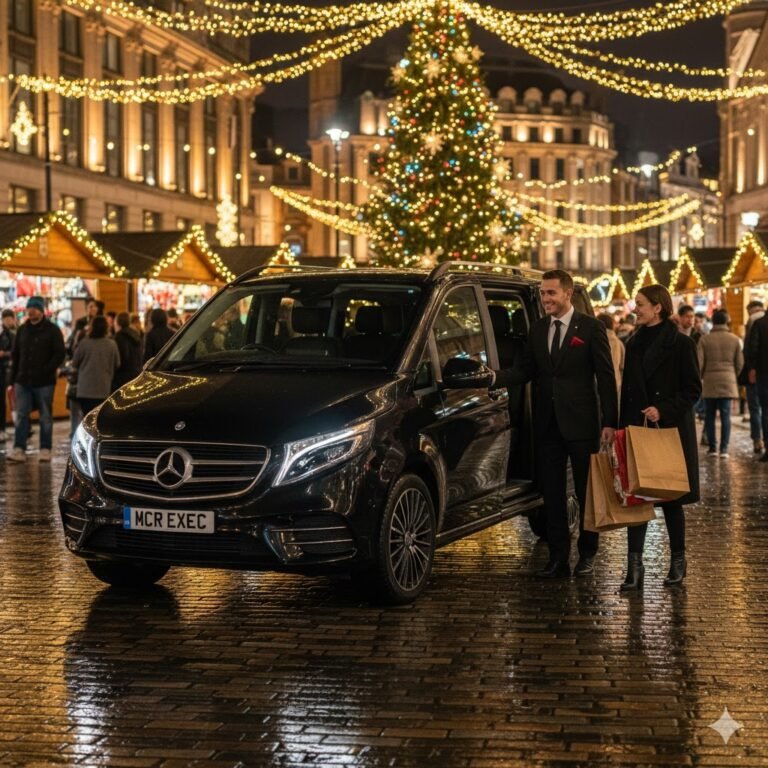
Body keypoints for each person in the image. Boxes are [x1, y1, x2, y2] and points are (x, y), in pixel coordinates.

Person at [496, 269, 618, 578]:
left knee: (585, 490)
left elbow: (606, 378)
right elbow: (524, 372)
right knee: (551, 493)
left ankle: (588, 552)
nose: (545, 298)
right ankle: (558, 556)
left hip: (582, 424)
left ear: (568, 293)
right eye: (542, 293)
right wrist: (492, 378)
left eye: (551, 293)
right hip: (547, 425)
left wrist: (610, 422)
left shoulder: (590, 329)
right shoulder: (537, 329)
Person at [618, 285, 701, 591]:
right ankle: (634, 567)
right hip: (637, 428)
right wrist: (620, 427)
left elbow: (693, 389)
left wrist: (663, 409)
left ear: (658, 308)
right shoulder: (633, 342)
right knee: (636, 499)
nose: (634, 308)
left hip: (669, 432)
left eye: (639, 304)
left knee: (670, 499)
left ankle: (678, 562)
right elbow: (627, 390)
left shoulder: (680, 344)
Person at [8, 297, 66, 463]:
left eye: (34, 308)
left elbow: (60, 353)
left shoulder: (52, 330)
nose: (31, 311)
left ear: (41, 310)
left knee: (45, 416)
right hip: (22, 380)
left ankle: (45, 448)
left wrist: (47, 369)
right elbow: (16, 355)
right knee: (21, 415)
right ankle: (19, 448)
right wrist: (12, 380)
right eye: (29, 308)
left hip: (45, 382)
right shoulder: (22, 330)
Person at [698, 310, 743, 458]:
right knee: (725, 415)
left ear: (713, 321)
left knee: (709, 415)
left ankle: (713, 448)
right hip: (728, 380)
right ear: (726, 321)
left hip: (710, 381)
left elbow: (700, 363)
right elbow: (740, 363)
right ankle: (724, 449)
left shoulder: (705, 340)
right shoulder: (735, 339)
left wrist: (703, 375)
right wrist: (731, 374)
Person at [71, 315, 120, 416]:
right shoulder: (112, 344)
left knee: (86, 419)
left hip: (85, 389)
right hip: (103, 388)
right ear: (106, 328)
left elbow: (74, 363)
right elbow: (117, 364)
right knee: (99, 419)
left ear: (91, 327)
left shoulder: (84, 343)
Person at [742, 300, 765, 454]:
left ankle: (758, 440)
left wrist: (751, 369)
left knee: (756, 408)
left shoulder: (754, 322)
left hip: (756, 373)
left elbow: (751, 349)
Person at [112, 311, 143, 389]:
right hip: (136, 373)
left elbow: (121, 358)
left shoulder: (119, 337)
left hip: (123, 376)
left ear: (118, 323)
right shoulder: (135, 335)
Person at [596, 312, 624, 394]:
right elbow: (623, 365)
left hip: (597, 384)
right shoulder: (618, 343)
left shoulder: (594, 340)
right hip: (615, 383)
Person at [0, 308, 17, 436]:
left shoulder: (14, 333)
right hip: (5, 371)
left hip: (10, 371)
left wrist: (4, 354)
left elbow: (16, 352)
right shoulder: (4, 334)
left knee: (13, 401)